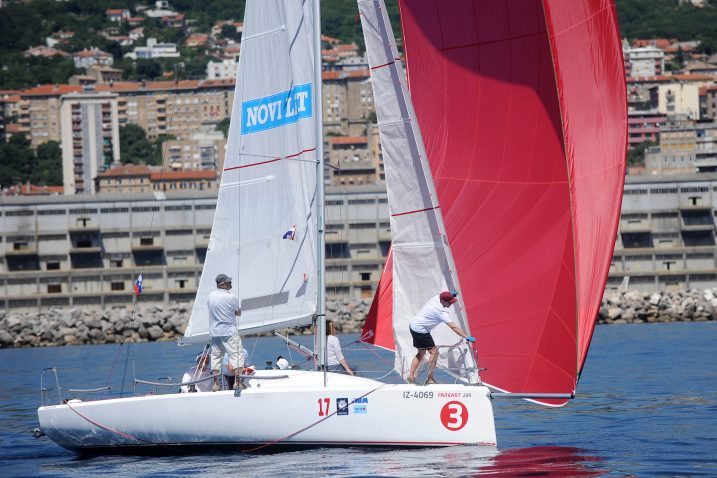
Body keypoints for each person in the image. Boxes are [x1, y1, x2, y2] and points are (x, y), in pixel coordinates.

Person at [407, 291, 475, 385]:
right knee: (434, 353)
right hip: (421, 331)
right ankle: (430, 379)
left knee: (421, 352)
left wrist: (451, 294)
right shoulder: (441, 312)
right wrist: (467, 337)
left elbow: (440, 294)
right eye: (449, 302)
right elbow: (453, 327)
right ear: (443, 301)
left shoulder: (436, 298)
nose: (451, 304)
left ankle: (410, 376)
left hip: (413, 326)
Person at [207, 273, 246, 391]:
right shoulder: (231, 297)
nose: (231, 283)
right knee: (237, 354)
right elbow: (238, 312)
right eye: (229, 282)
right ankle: (238, 382)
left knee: (215, 357)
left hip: (214, 332)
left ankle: (216, 384)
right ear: (223, 284)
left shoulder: (210, 296)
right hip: (229, 331)